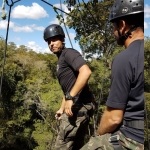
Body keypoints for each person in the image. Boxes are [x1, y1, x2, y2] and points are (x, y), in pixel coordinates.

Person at [80, 0, 144, 149]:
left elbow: (113, 119)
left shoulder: (124, 59)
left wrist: (97, 135)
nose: (113, 31)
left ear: (122, 25)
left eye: (114, 27)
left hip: (131, 138)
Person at [43, 24, 94, 150]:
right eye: (49, 41)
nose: (51, 44)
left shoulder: (69, 53)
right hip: (76, 107)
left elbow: (86, 72)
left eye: (54, 40)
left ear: (62, 39)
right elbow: (67, 89)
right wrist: (61, 108)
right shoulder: (61, 60)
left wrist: (71, 97)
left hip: (78, 107)